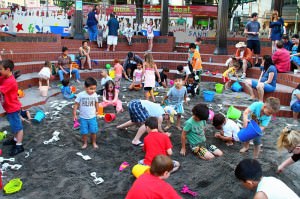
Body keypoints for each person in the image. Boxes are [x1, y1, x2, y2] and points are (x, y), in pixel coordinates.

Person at [235, 159, 299, 199]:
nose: (242, 184)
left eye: (242, 182)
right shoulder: (272, 179)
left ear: (249, 182)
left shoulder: (260, 196)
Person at [0, 59, 25, 156]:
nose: (0, 71)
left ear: (8, 69)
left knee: (18, 128)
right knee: (14, 126)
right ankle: (15, 140)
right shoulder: (4, 77)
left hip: (13, 108)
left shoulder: (10, 81)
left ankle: (19, 145)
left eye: (1, 69)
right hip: (9, 108)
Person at [73, 77, 99, 149]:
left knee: (93, 131)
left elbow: (96, 103)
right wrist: (74, 114)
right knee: (84, 132)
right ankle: (85, 143)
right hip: (83, 118)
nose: (93, 90)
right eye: (91, 88)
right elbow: (76, 105)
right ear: (85, 87)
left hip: (92, 117)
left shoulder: (95, 94)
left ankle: (94, 142)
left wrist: (97, 111)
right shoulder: (81, 95)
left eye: (94, 88)